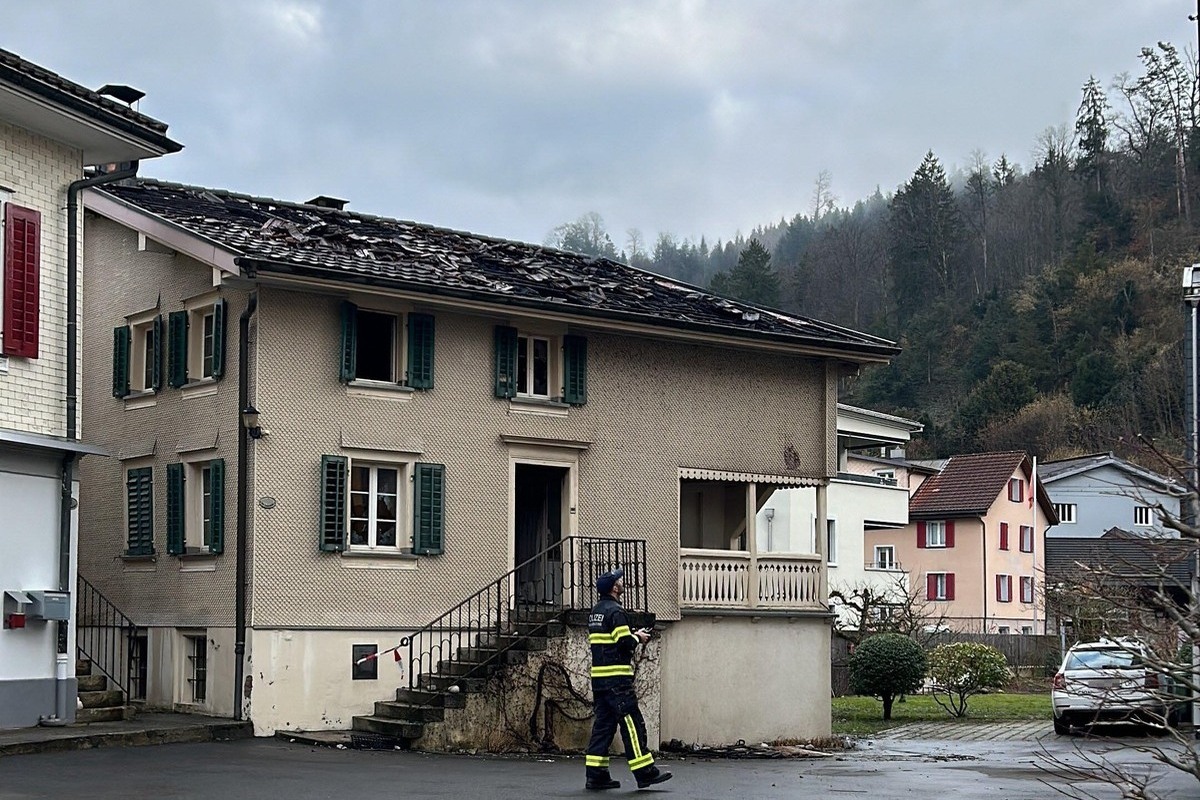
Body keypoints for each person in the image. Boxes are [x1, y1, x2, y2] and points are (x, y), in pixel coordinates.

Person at [584, 568, 672, 791]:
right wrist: (638, 636)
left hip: (600, 680)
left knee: (603, 727)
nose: (622, 582)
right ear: (614, 588)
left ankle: (596, 775)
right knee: (632, 724)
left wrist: (630, 635)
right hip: (617, 680)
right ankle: (645, 772)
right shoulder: (616, 612)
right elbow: (624, 643)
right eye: (619, 581)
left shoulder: (596, 612)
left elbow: (607, 641)